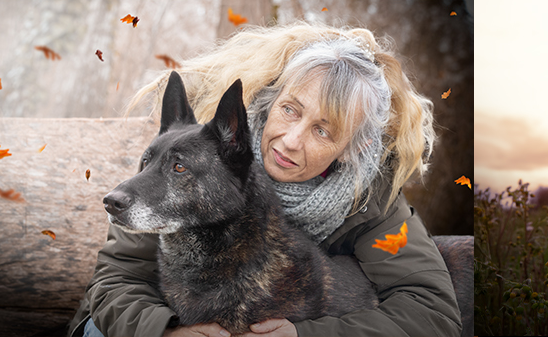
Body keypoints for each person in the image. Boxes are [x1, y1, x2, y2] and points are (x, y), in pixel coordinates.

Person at [68, 23, 458, 337]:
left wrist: (307, 334)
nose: (291, 140)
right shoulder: (196, 144)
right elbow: (116, 279)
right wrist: (167, 331)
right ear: (273, 100)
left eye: (323, 131)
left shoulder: (369, 200)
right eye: (291, 110)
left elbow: (430, 312)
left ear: (354, 148)